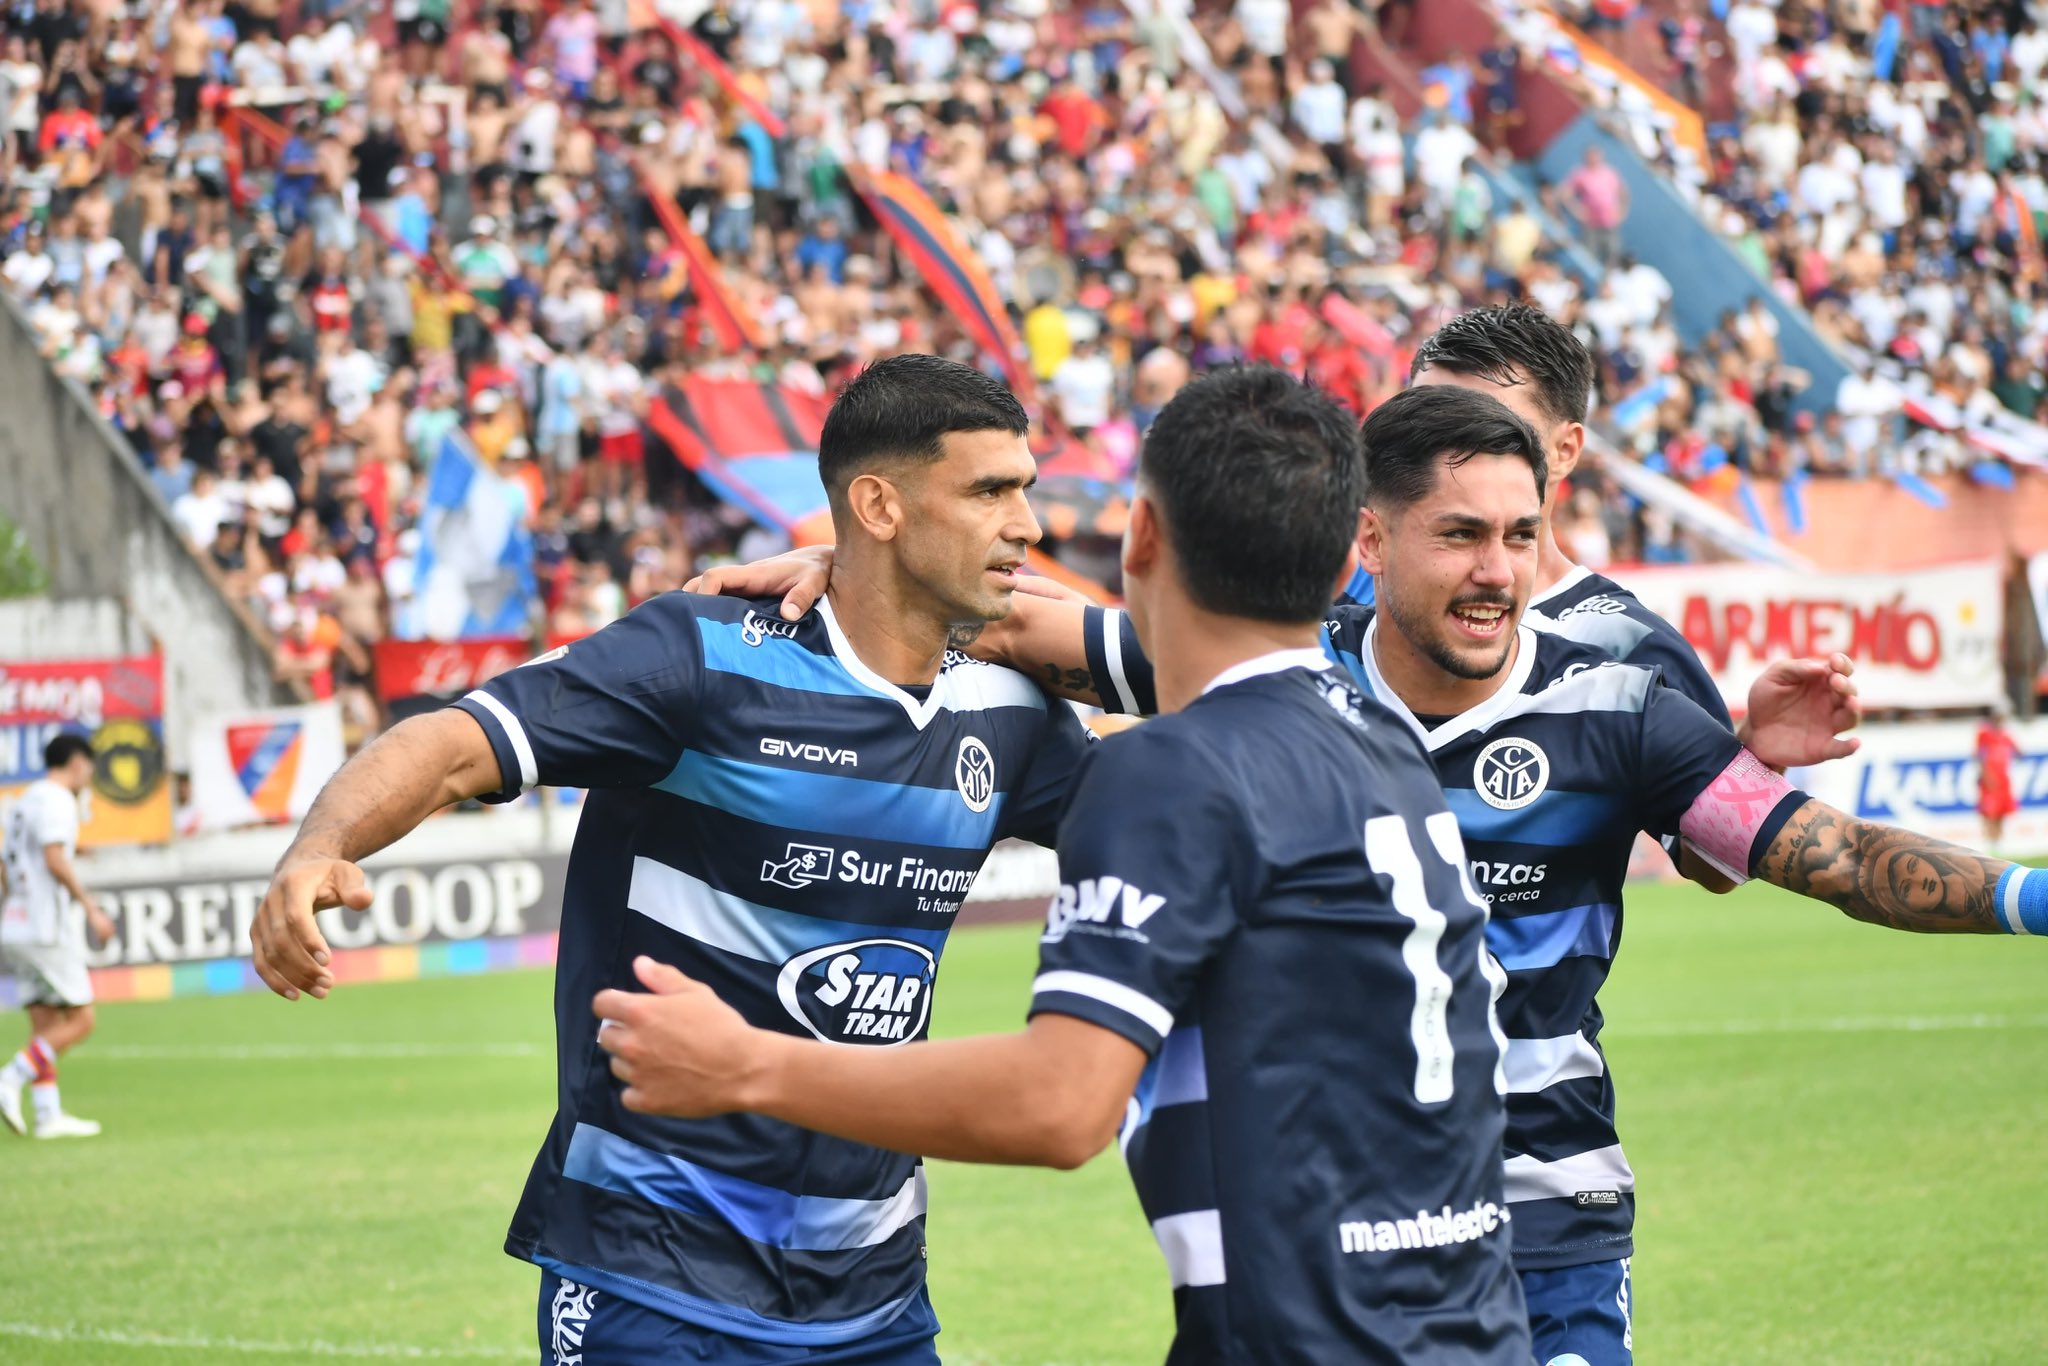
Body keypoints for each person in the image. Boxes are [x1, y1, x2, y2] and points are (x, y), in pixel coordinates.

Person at [596, 368, 1535, 1364]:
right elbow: (1015, 622)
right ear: (1350, 548)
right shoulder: (1378, 733)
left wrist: (746, 1065)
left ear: (1141, 536)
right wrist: (860, 565)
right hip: (1472, 1327)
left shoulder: (1174, 767)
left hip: (1312, 1340)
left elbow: (1059, 1105)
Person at [248, 355, 1093, 1363]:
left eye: (1025, 488)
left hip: (874, 1296)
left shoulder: (1009, 711)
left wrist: (1053, 632)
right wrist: (322, 844)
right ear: (878, 506)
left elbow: (1207, 763)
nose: (1026, 523)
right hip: (651, 1278)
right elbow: (456, 743)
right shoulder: (705, 656)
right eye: (990, 491)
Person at [0, 734, 116, 1138]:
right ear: (78, 762)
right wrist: (91, 908)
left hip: (15, 922)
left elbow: (4, 865)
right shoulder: (58, 800)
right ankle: (10, 1077)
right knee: (82, 1019)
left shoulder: (23, 801)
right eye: (89, 767)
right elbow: (54, 858)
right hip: (44, 925)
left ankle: (47, 1114)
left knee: (45, 1021)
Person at [1977, 703, 2020, 850]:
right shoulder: (1984, 734)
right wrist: (1986, 776)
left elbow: (2019, 751)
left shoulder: (2004, 735)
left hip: (2003, 778)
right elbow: (1980, 756)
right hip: (1991, 778)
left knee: (2002, 810)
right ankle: (1989, 839)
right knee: (1989, 811)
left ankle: (1998, 840)